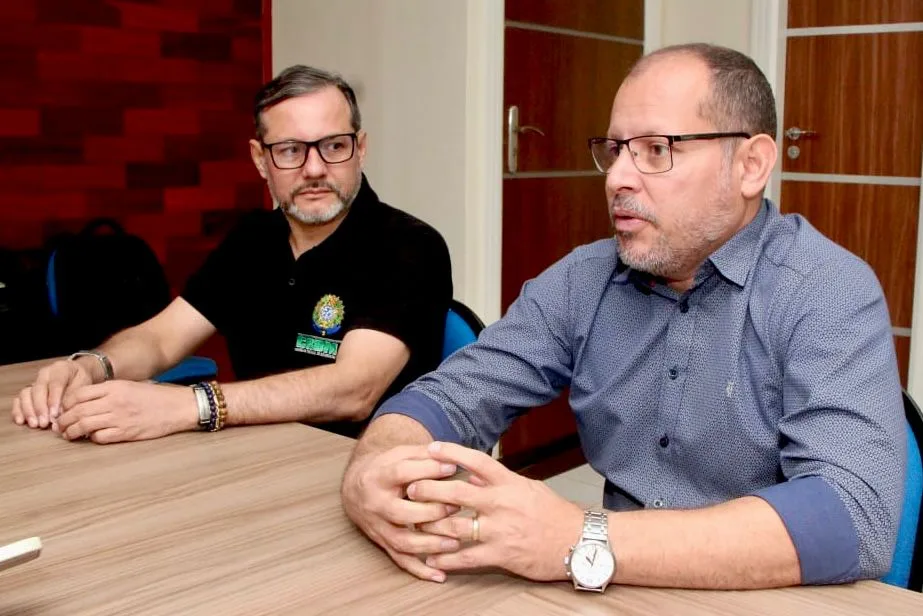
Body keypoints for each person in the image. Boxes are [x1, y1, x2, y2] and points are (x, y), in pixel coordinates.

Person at [340, 44, 905, 590]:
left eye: (656, 149)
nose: (617, 179)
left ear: (751, 165)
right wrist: (373, 470)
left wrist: (578, 536)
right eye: (614, 150)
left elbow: (851, 518)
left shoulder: (828, 289)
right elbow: (451, 395)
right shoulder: (584, 278)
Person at [10, 65, 453, 442]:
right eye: (291, 151)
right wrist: (93, 365)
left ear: (361, 149)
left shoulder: (410, 245)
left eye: (334, 146)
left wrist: (191, 405)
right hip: (253, 459)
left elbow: (352, 390)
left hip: (368, 473)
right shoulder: (253, 238)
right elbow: (162, 339)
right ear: (261, 160)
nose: (315, 168)